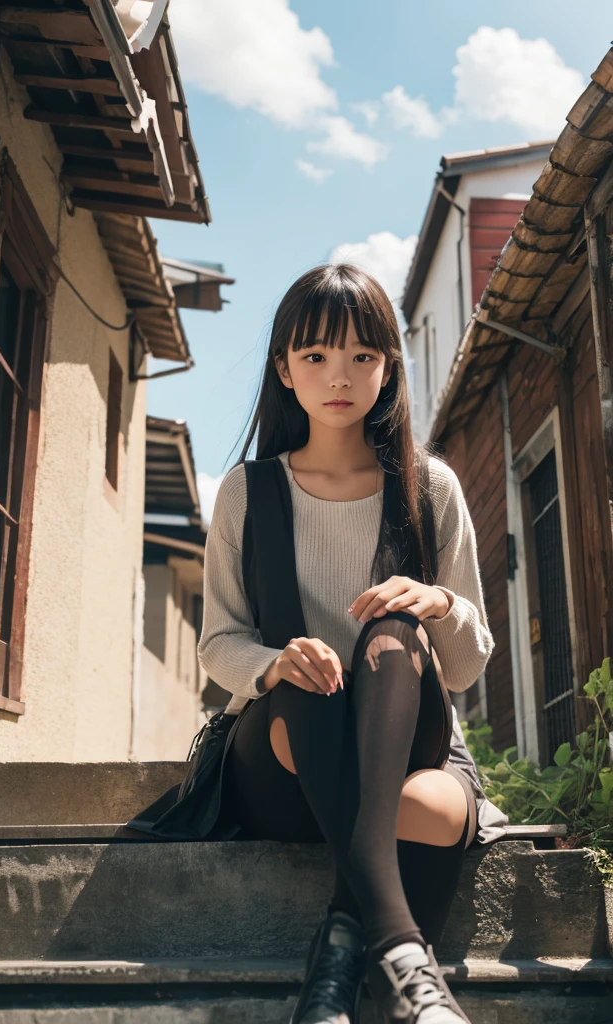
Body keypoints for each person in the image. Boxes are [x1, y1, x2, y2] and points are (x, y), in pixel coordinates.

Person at [197, 263, 507, 1024]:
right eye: (315, 357)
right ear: (285, 370)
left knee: (403, 669)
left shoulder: (429, 487)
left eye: (362, 357)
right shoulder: (248, 492)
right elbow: (217, 643)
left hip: (411, 747)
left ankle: (336, 959)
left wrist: (436, 605)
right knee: (311, 678)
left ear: (388, 368)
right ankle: (403, 950)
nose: (339, 376)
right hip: (280, 757)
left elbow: (465, 666)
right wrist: (274, 663)